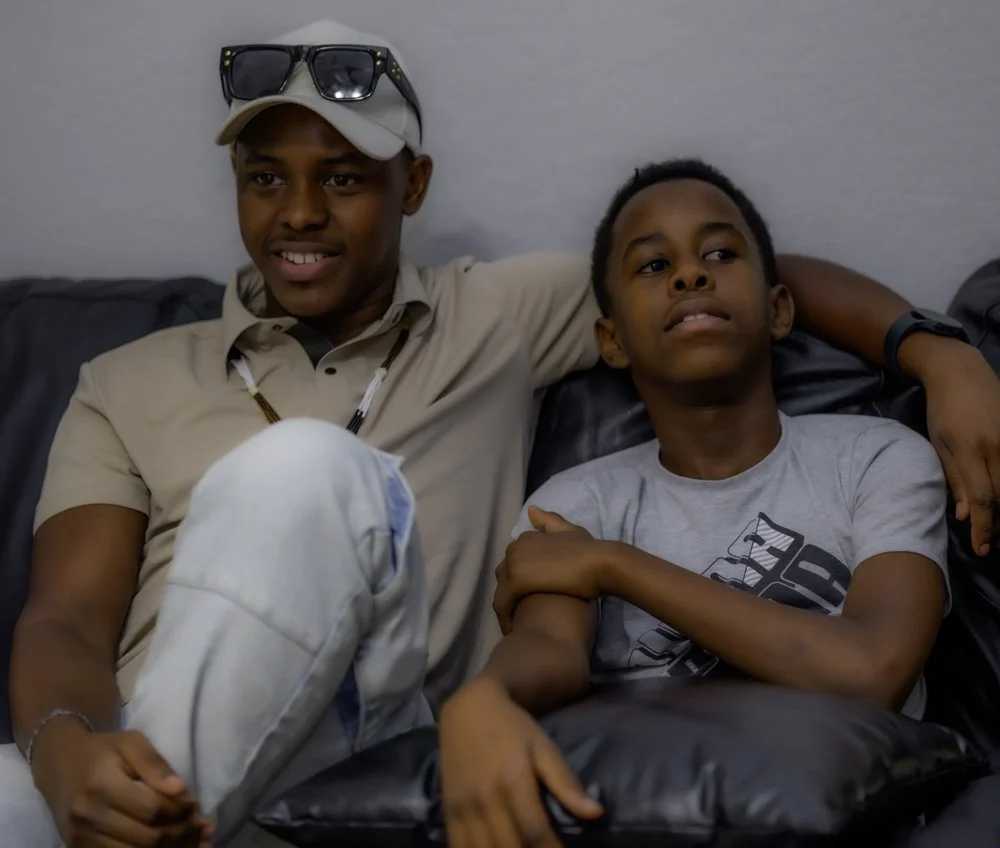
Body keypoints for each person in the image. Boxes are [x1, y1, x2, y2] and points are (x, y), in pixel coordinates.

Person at [2, 16, 997, 848]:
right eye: (265, 179)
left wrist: (938, 351)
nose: (298, 213)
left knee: (306, 467)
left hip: (362, 749)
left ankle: (159, 808)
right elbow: (63, 625)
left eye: (342, 178)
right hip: (117, 755)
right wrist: (64, 754)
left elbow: (734, 277)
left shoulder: (495, 316)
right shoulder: (122, 380)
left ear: (413, 187)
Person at [438, 159, 951, 848]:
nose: (689, 275)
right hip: (640, 816)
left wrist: (614, 565)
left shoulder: (876, 458)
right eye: (654, 265)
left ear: (779, 309)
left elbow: (871, 672)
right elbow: (548, 649)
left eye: (719, 254)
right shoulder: (577, 500)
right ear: (613, 341)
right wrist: (487, 696)